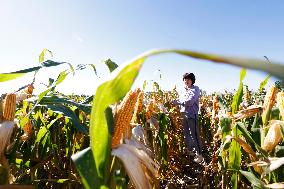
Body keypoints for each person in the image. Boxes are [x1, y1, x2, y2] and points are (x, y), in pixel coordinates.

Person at [172, 72, 203, 163]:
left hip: (191, 114)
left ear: (192, 80)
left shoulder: (195, 89)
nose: (186, 81)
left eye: (188, 79)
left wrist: (178, 102)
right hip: (184, 114)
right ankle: (191, 151)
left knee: (194, 135)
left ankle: (199, 155)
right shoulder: (184, 90)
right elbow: (180, 100)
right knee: (187, 134)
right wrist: (174, 101)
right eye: (185, 79)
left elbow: (189, 101)